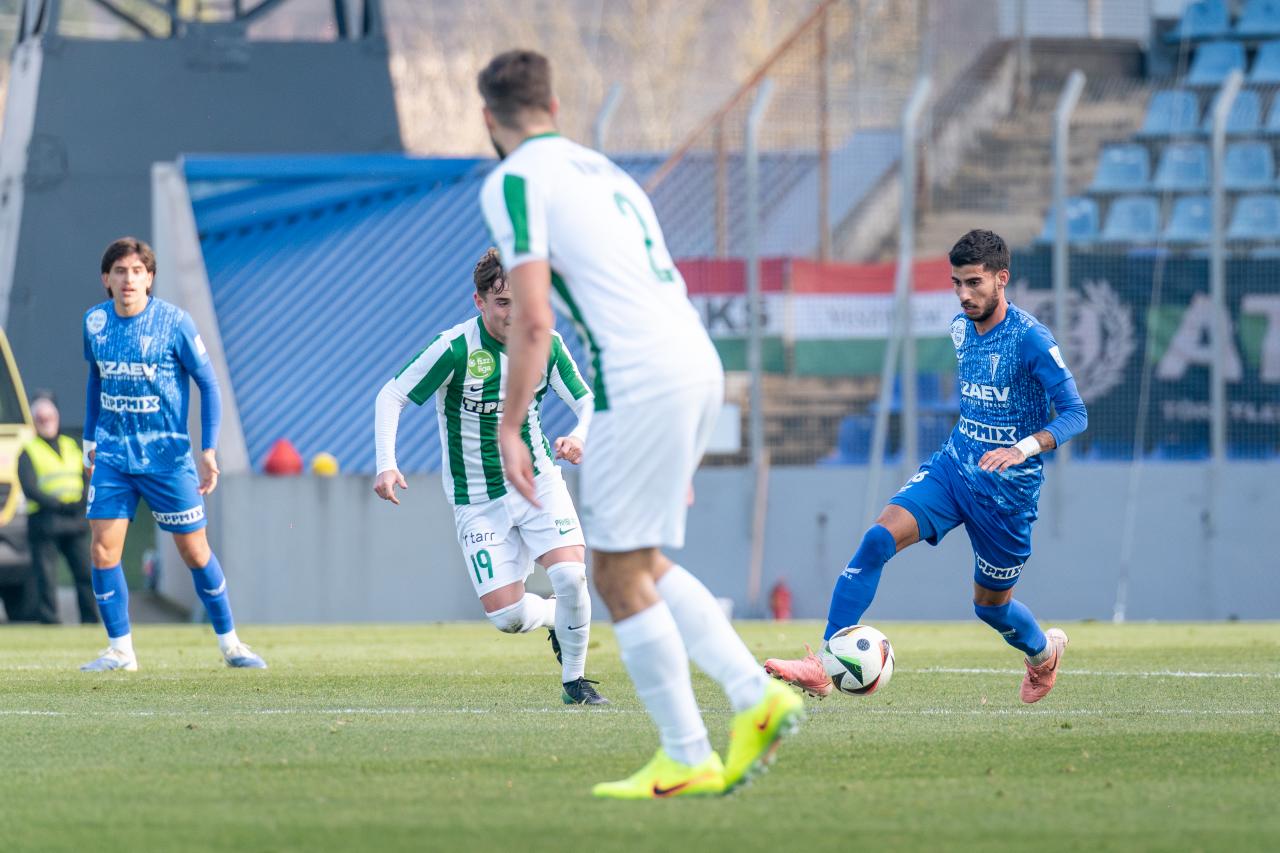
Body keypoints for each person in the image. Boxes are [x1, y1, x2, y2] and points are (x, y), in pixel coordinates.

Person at [476, 49, 803, 800]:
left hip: (638, 376)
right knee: (641, 563)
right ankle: (752, 698)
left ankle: (690, 752)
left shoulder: (515, 180)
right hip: (693, 361)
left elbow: (533, 318)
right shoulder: (607, 173)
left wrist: (511, 424)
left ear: (489, 119)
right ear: (556, 109)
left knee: (616, 574)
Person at [765, 230, 1088, 703]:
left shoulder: (1031, 339)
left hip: (1007, 496)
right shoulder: (960, 329)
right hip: (953, 470)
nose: (964, 295)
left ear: (1002, 279)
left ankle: (1043, 654)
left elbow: (1076, 413)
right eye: (957, 283)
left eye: (974, 283)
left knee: (990, 608)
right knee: (877, 539)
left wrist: (1023, 448)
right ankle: (822, 663)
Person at [373, 248, 607, 706]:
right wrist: (387, 462)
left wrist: (579, 436)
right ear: (479, 301)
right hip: (476, 499)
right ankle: (557, 617)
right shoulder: (455, 348)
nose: (512, 313)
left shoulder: (546, 344)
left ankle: (575, 683)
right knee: (508, 618)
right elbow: (391, 395)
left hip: (538, 482)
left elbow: (587, 401)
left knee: (571, 576)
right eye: (501, 302)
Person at [80, 236, 265, 671]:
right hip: (113, 456)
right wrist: (89, 443)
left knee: (195, 553)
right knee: (103, 551)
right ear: (106, 279)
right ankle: (120, 651)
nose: (129, 280)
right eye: (120, 272)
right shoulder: (94, 322)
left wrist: (209, 449)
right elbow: (95, 379)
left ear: (150, 278)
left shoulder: (175, 322)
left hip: (167, 457)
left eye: (137, 272)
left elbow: (209, 384)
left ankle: (231, 644)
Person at [17, 393, 97, 624]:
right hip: (45, 522)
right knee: (46, 577)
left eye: (49, 417)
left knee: (85, 573)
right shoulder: (29, 450)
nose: (46, 422)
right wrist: (59, 504)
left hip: (75, 520)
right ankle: (50, 621)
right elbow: (30, 488)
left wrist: (80, 502)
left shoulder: (71, 445)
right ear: (34, 422)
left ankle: (90, 619)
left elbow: (86, 477)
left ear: (57, 417)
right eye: (41, 418)